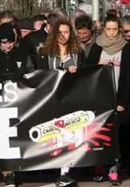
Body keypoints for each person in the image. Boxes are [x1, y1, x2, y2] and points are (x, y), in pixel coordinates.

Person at [86, 17, 130, 185]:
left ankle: (114, 170)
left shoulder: (126, 48)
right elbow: (89, 73)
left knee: (115, 136)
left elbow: (128, 77)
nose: (112, 32)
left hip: (116, 100)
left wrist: (123, 101)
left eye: (115, 29)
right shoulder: (97, 47)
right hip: (99, 99)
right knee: (98, 134)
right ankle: (99, 168)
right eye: (109, 29)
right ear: (104, 29)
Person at [35, 19, 82, 187]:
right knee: (52, 134)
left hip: (71, 98)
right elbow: (40, 75)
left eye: (67, 32)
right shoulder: (45, 52)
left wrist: (75, 73)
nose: (64, 36)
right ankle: (49, 167)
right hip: (51, 98)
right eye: (60, 32)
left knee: (69, 134)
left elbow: (85, 76)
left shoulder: (77, 52)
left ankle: (65, 172)